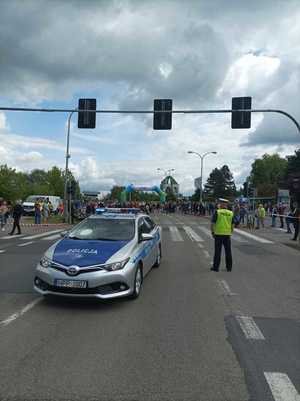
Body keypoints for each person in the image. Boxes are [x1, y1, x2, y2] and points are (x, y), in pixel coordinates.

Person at [211, 198, 234, 272]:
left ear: (221, 204)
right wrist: (231, 232)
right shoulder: (231, 213)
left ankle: (216, 267)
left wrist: (212, 232)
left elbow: (213, 223)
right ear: (226, 205)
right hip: (227, 234)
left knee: (217, 251)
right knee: (228, 251)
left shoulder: (217, 212)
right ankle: (229, 268)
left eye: (220, 203)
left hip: (218, 234)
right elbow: (232, 224)